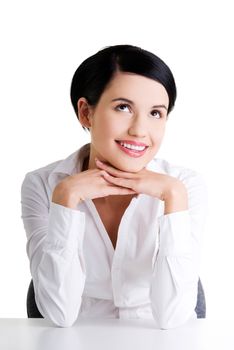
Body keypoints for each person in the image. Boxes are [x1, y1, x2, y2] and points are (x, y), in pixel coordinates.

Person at [21, 44, 208, 329]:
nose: (140, 130)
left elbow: (174, 318)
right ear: (86, 113)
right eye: (124, 107)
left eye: (156, 113)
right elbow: (59, 314)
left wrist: (174, 198)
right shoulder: (44, 184)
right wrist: (65, 197)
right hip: (77, 338)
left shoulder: (184, 185)